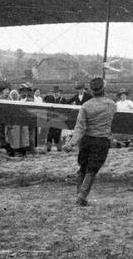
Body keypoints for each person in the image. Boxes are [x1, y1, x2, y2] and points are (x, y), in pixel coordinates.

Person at [64, 77, 117, 206]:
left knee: (83, 167)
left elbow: (80, 128)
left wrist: (71, 143)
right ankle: (82, 196)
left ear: (91, 91)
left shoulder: (85, 106)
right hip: (101, 141)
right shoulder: (112, 104)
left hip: (86, 140)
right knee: (92, 169)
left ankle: (79, 194)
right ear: (103, 89)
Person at [42, 85, 64, 152]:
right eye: (55, 92)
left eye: (57, 92)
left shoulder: (62, 99)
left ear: (59, 92)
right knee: (50, 134)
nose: (56, 93)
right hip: (50, 119)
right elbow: (44, 101)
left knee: (58, 133)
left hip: (59, 120)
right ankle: (48, 148)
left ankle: (59, 148)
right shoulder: (49, 98)